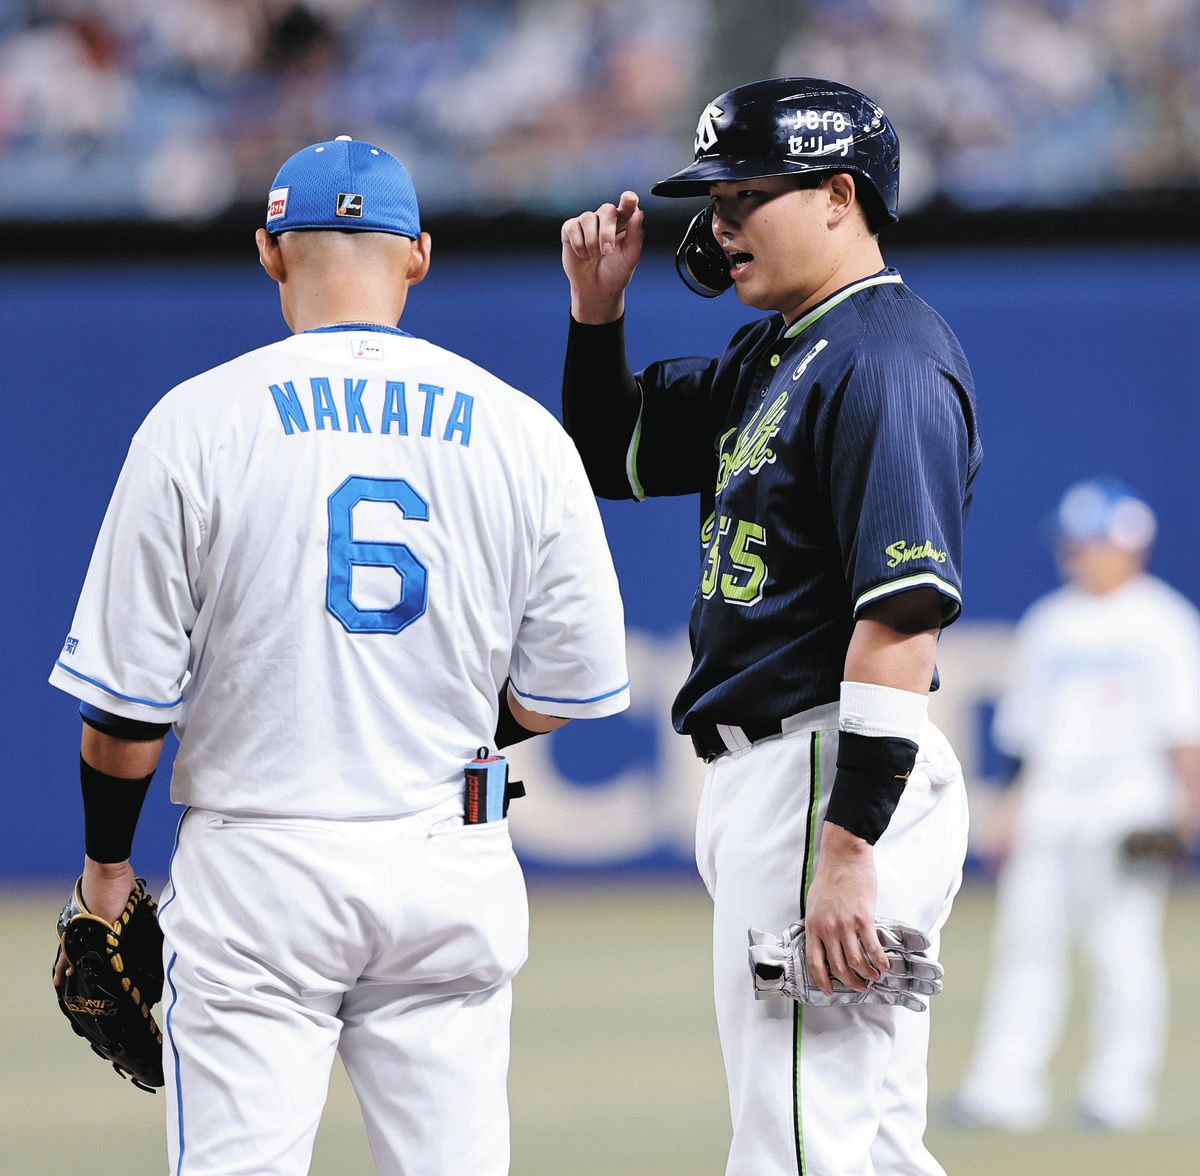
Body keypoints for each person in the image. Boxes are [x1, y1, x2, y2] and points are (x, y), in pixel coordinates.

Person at [49, 135, 630, 1175]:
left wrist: (106, 874)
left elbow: (128, 709)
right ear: (420, 255)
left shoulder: (196, 422)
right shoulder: (523, 432)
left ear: (270, 251)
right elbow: (562, 692)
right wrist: (435, 725)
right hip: (447, 853)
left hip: (260, 865)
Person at [560, 77, 982, 1175]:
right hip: (796, 774)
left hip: (825, 771)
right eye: (716, 200)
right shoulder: (779, 352)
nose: (720, 224)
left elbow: (903, 617)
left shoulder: (885, 359)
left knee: (798, 1142)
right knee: (867, 1140)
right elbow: (612, 453)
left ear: (841, 196)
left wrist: (846, 851)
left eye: (748, 195)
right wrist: (597, 314)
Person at [953, 478, 1200, 1133]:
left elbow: (1184, 731)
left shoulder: (1164, 621)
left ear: (1129, 546)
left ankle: (1119, 1091)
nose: (1076, 555)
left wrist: (1188, 811)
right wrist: (1009, 807)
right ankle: (1004, 1089)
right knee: (1026, 947)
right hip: (1052, 807)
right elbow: (1025, 732)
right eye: (1073, 544)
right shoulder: (1051, 621)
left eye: (1089, 543)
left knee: (1122, 951)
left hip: (1129, 810)